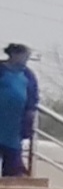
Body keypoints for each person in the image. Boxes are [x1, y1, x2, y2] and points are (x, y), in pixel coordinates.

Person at [0, 40, 35, 177]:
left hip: (15, 121)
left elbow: (32, 96)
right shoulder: (1, 69)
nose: (26, 59)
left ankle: (13, 175)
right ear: (14, 55)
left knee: (12, 153)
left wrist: (30, 114)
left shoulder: (28, 75)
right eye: (24, 56)